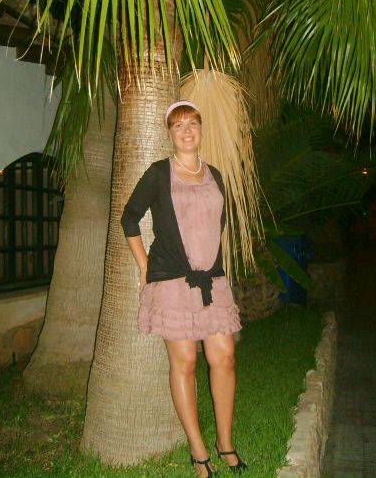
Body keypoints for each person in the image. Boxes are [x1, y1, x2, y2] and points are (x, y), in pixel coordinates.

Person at [121, 100, 247, 478]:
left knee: (224, 358)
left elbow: (217, 225)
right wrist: (145, 266)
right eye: (178, 125)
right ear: (170, 134)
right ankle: (198, 450)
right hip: (172, 282)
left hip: (212, 281)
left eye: (192, 123)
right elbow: (129, 217)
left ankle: (225, 442)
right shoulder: (159, 173)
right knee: (185, 363)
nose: (187, 131)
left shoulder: (216, 176)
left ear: (201, 129)